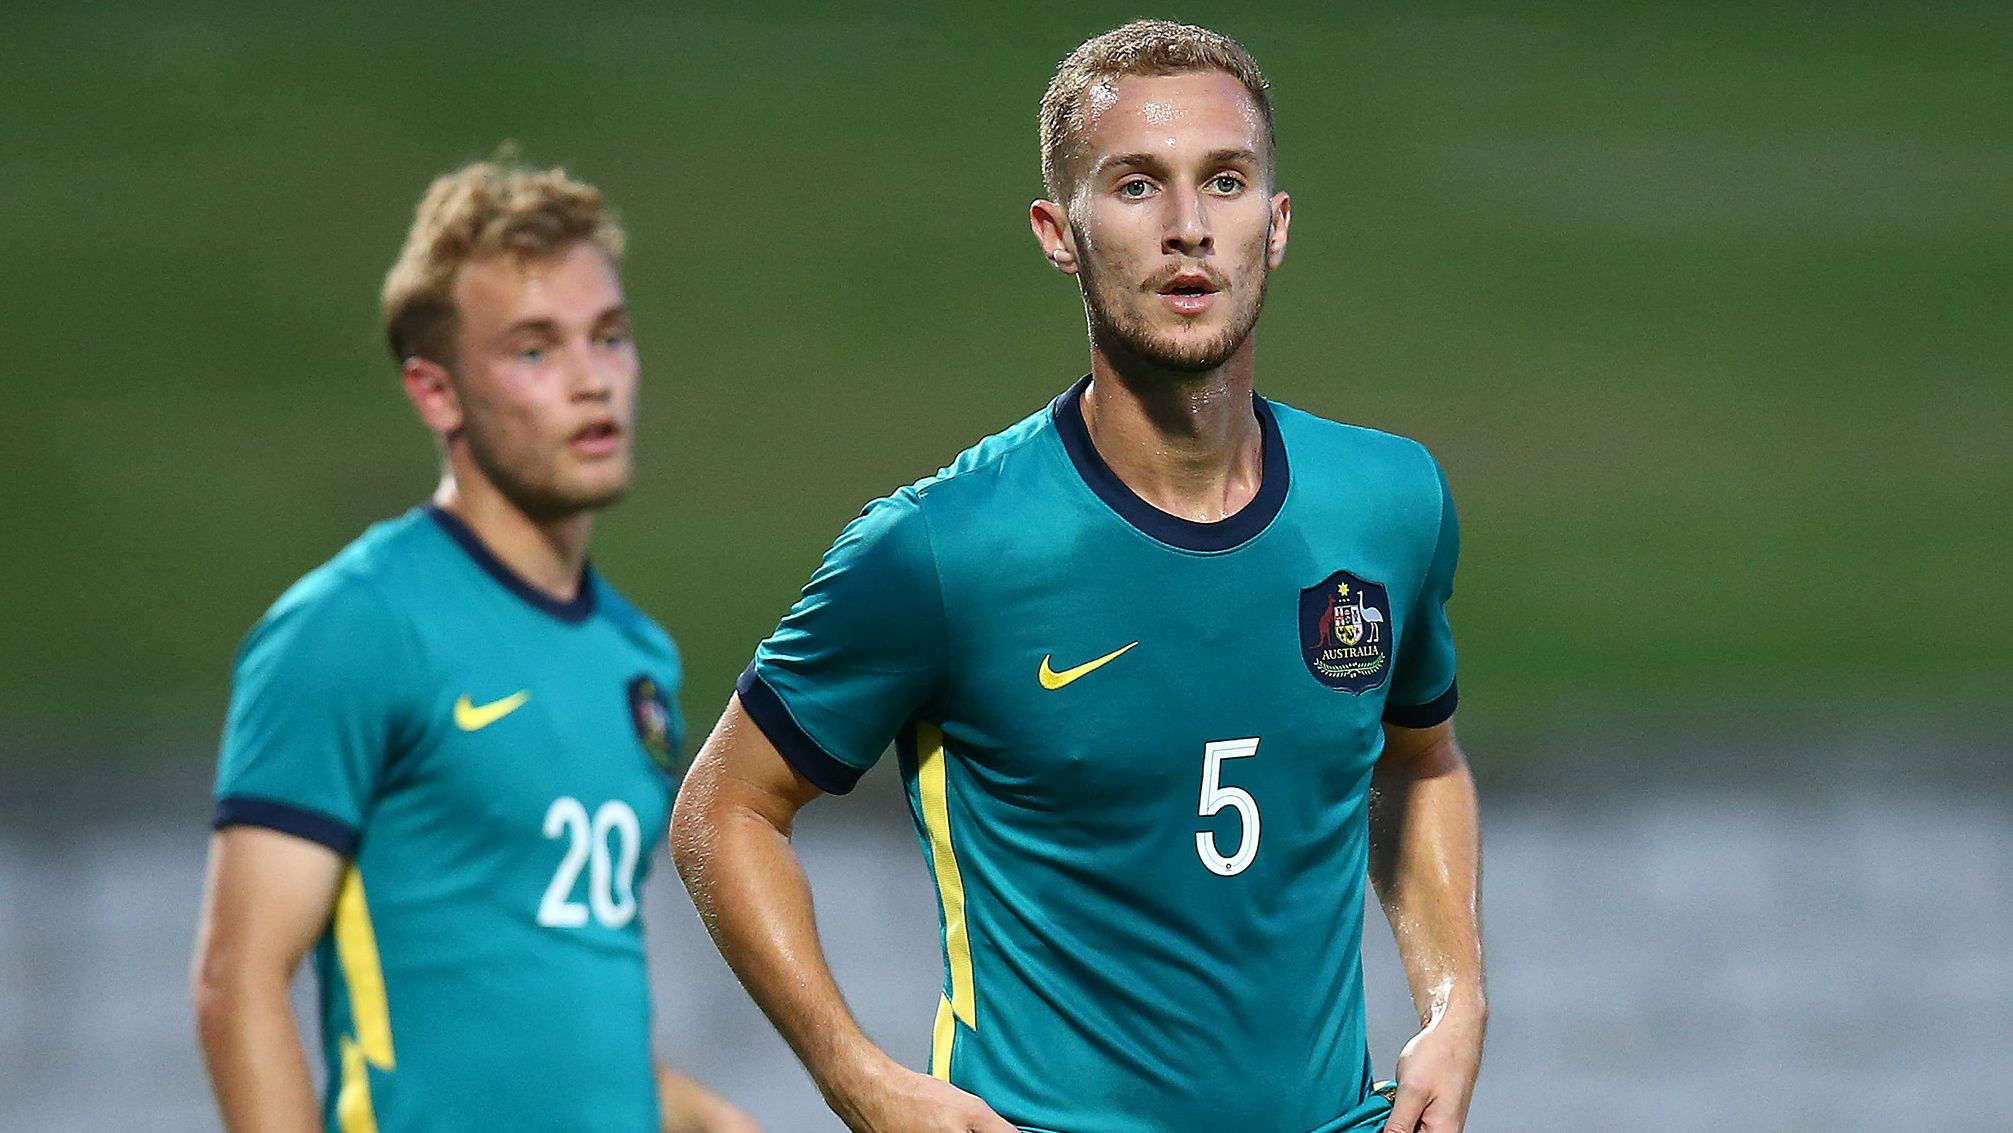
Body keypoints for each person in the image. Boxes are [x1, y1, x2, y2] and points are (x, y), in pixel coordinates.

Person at [671, 19, 1486, 1133]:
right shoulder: (944, 550)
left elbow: (1420, 759)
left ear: (1277, 224)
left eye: (1227, 182)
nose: (1190, 228)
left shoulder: (1389, 503)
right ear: (1061, 231)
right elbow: (724, 812)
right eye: (1138, 186)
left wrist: (1454, 996)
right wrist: (856, 1073)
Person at [191, 156, 757, 1133]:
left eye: (609, 337)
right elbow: (237, 978)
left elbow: (550, 1013)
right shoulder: (353, 627)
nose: (592, 380)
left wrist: (709, 1119)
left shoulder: (637, 656)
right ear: (435, 392)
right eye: (535, 350)